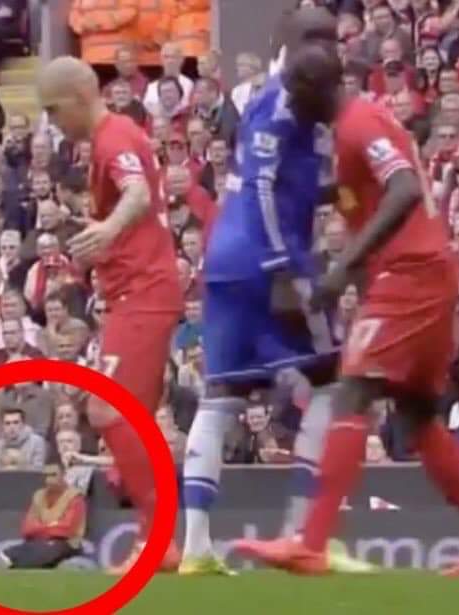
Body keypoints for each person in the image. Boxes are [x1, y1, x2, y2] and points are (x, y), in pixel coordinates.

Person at [236, 44, 459, 578]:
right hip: (420, 273)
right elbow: (361, 192)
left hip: (411, 274)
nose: (290, 105)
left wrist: (342, 268)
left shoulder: (361, 122)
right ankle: (310, 542)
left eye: (294, 94)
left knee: (353, 390)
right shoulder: (348, 129)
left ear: (315, 89)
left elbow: (403, 188)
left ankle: (311, 542)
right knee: (417, 414)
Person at [179, 6, 346, 577]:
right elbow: (266, 189)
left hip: (226, 258)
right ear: (285, 42)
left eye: (331, 37)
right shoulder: (286, 102)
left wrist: (342, 189)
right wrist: (282, 269)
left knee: (222, 394)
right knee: (330, 382)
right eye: (314, 36)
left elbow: (296, 184)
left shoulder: (287, 98)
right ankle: (301, 533)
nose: (325, 45)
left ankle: (196, 548)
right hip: (267, 258)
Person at [37, 55, 183, 573]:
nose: (53, 122)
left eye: (54, 110)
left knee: (105, 411)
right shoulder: (115, 137)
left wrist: (107, 229)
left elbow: (137, 194)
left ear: (78, 97)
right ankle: (156, 541)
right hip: (137, 291)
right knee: (132, 421)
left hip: (143, 294)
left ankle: (159, 534)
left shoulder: (112, 138)